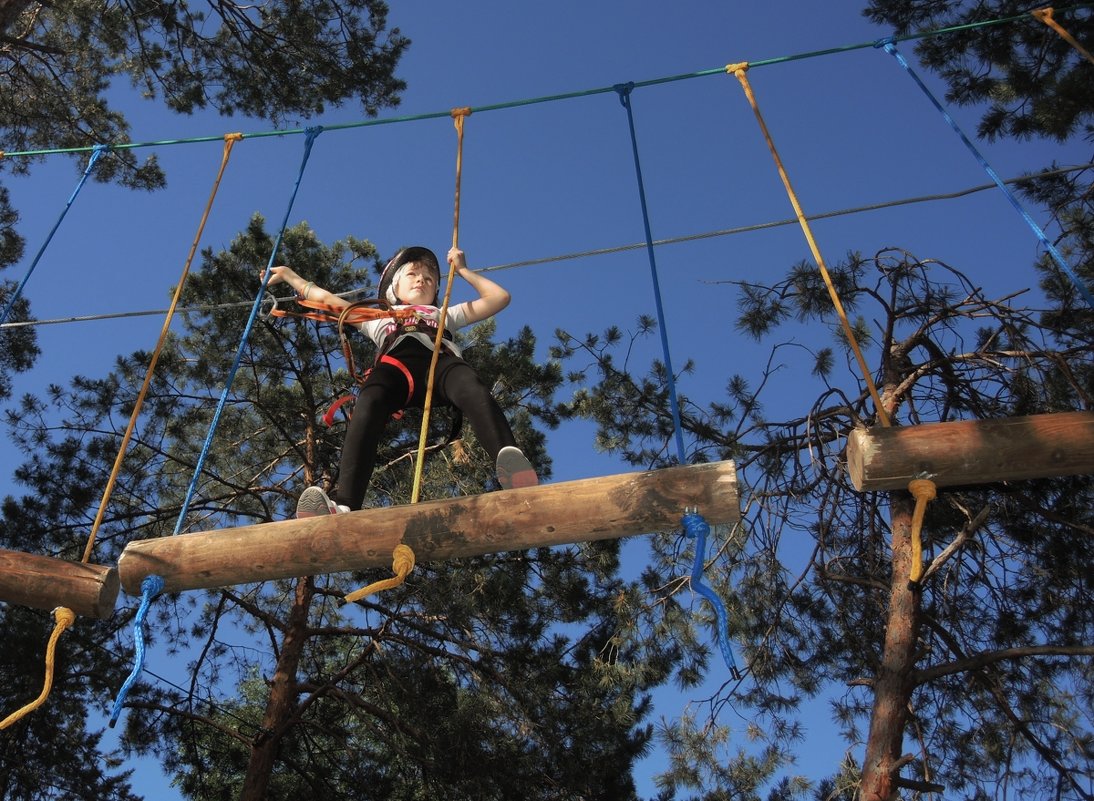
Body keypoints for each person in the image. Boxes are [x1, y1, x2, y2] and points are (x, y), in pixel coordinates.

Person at [266, 245, 538, 517]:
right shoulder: (378, 318)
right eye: (413, 274)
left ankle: (511, 463)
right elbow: (328, 300)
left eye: (430, 278)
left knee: (472, 387)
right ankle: (345, 503)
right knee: (369, 401)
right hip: (396, 371)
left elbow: (499, 297)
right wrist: (292, 277)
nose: (422, 279)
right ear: (393, 288)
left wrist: (464, 270)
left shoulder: (445, 315)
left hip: (440, 367)